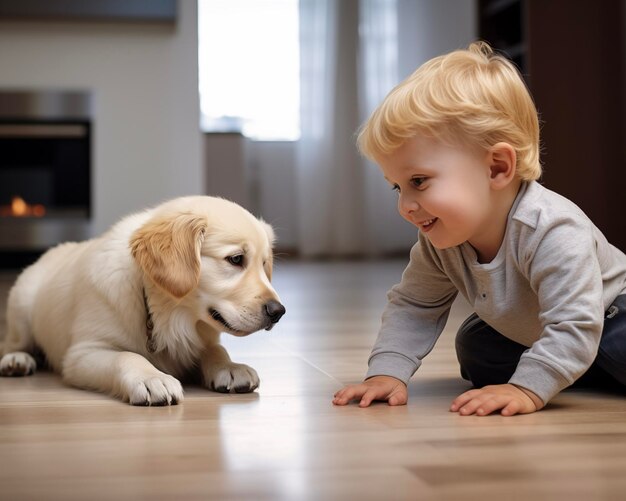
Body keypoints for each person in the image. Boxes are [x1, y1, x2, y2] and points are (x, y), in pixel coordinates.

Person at [332, 41, 626, 416]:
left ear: (497, 168)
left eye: (419, 181)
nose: (405, 205)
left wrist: (526, 390)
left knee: (617, 347)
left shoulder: (552, 228)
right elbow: (414, 306)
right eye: (397, 186)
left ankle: (566, 363)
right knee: (476, 346)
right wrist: (386, 373)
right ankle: (569, 364)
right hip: (539, 325)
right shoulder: (439, 242)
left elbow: (575, 320)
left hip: (607, 312)